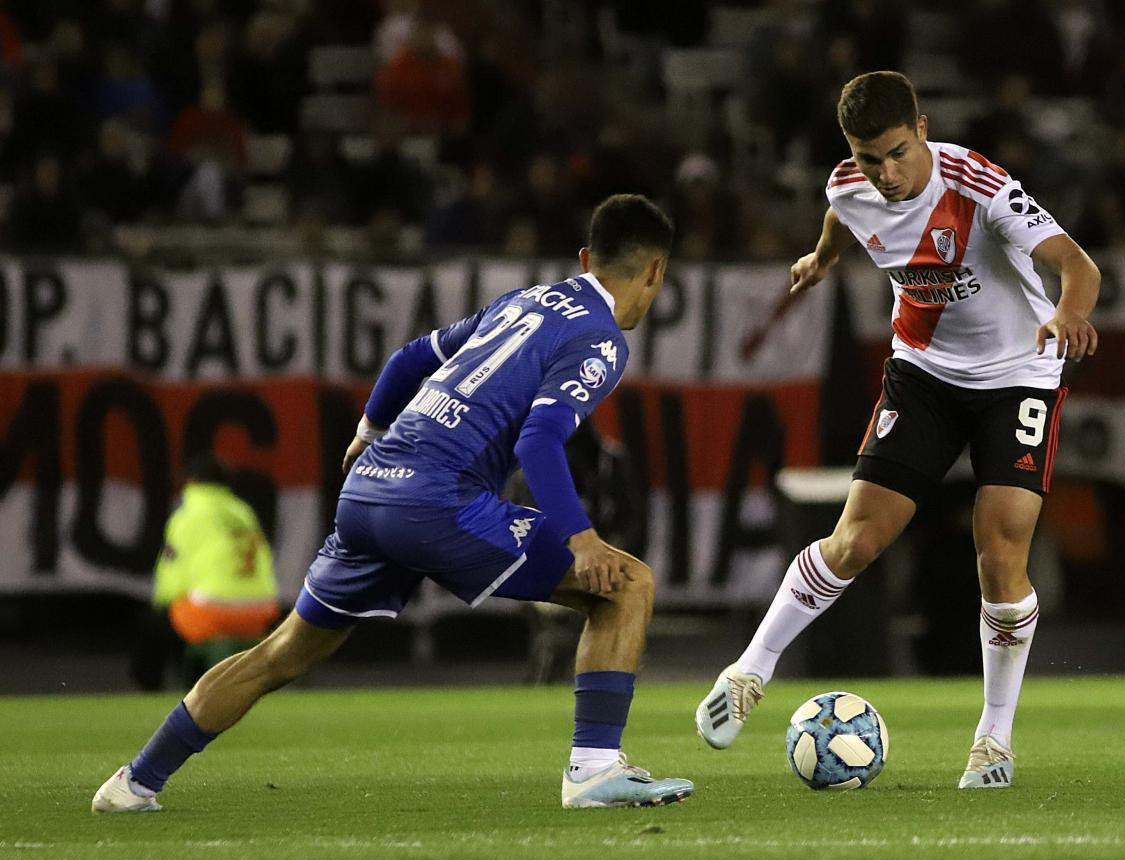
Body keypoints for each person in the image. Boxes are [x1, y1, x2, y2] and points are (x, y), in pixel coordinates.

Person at [93, 194, 692, 812]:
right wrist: (580, 537)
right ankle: (593, 770)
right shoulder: (600, 339)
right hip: (439, 501)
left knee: (280, 654)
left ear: (586, 257)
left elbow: (410, 359)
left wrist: (368, 432)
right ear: (655, 272)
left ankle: (134, 782)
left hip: (371, 488)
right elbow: (539, 439)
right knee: (626, 587)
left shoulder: (520, 303)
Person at [696, 71, 1100, 789]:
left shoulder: (977, 183)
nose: (885, 173)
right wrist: (822, 257)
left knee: (1000, 553)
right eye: (868, 157)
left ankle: (993, 740)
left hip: (1019, 375)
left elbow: (1075, 263)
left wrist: (1068, 312)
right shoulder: (847, 186)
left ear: (922, 125)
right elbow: (840, 217)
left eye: (897, 152)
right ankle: (749, 672)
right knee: (855, 541)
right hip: (923, 374)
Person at [131, 454, 280, 690]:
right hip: (260, 613)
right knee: (179, 615)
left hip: (213, 613)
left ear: (191, 482)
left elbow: (171, 577)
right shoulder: (244, 513)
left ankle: (156, 693)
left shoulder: (188, 516)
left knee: (156, 624)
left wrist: (162, 607)